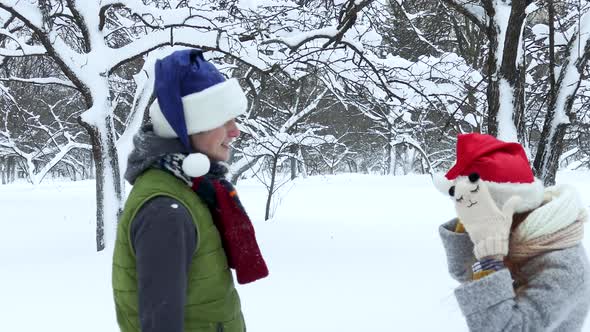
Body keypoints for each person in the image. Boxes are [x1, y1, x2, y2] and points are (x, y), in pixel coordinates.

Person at [112, 48, 268, 332]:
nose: (235, 131)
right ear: (189, 127)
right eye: (223, 120)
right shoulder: (166, 210)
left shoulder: (190, 189)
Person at [435, 133, 590, 331]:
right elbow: (465, 272)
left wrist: (488, 258)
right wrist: (470, 228)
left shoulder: (564, 266)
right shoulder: (518, 239)